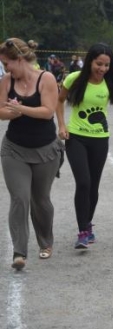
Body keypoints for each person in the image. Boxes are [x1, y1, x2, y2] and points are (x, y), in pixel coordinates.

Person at [56, 42, 113, 249]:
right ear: (89, 61)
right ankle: (83, 231)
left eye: (106, 65)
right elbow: (59, 101)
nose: (102, 69)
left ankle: (88, 225)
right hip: (75, 137)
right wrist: (61, 125)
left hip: (100, 140)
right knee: (83, 182)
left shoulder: (110, 85)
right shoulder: (73, 79)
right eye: (98, 64)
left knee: (93, 186)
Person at [0, 38, 63, 270]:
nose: (5, 69)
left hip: (46, 150)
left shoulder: (46, 78)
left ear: (19, 59)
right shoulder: (6, 81)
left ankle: (45, 241)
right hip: (14, 149)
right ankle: (19, 252)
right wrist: (12, 113)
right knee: (19, 198)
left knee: (41, 201)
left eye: (7, 64)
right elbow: (0, 111)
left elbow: (47, 112)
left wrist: (19, 109)